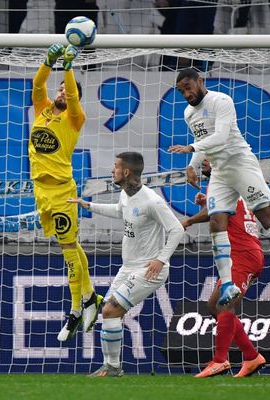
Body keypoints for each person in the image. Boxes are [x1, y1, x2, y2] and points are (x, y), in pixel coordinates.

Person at [168, 67, 270, 306]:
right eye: (181, 91)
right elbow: (203, 142)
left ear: (200, 81)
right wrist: (191, 165)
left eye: (188, 88)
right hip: (219, 171)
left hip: (240, 164)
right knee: (217, 222)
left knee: (266, 216)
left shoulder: (221, 101)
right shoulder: (188, 113)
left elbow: (220, 136)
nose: (186, 94)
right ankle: (228, 284)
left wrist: (190, 149)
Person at [68, 152, 184, 377]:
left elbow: (177, 229)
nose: (112, 170)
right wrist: (87, 205)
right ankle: (112, 366)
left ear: (127, 172)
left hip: (149, 269)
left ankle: (112, 367)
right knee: (109, 312)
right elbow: (120, 211)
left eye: (116, 166)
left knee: (111, 309)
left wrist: (161, 259)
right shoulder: (125, 194)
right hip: (128, 266)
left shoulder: (152, 201)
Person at [29, 43, 103, 342]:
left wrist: (69, 68)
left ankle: (75, 310)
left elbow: (73, 96)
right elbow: (37, 84)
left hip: (61, 193)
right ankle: (90, 298)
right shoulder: (42, 109)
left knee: (68, 251)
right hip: (41, 191)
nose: (61, 92)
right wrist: (49, 62)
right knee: (72, 246)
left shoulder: (75, 118)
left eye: (65, 91)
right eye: (58, 89)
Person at [181, 159, 266, 378]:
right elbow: (224, 211)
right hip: (242, 253)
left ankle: (219, 361)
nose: (204, 164)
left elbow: (216, 215)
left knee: (224, 305)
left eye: (209, 160)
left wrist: (188, 221)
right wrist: (207, 205)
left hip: (243, 255)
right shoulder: (234, 182)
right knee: (214, 306)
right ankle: (251, 356)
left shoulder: (220, 182)